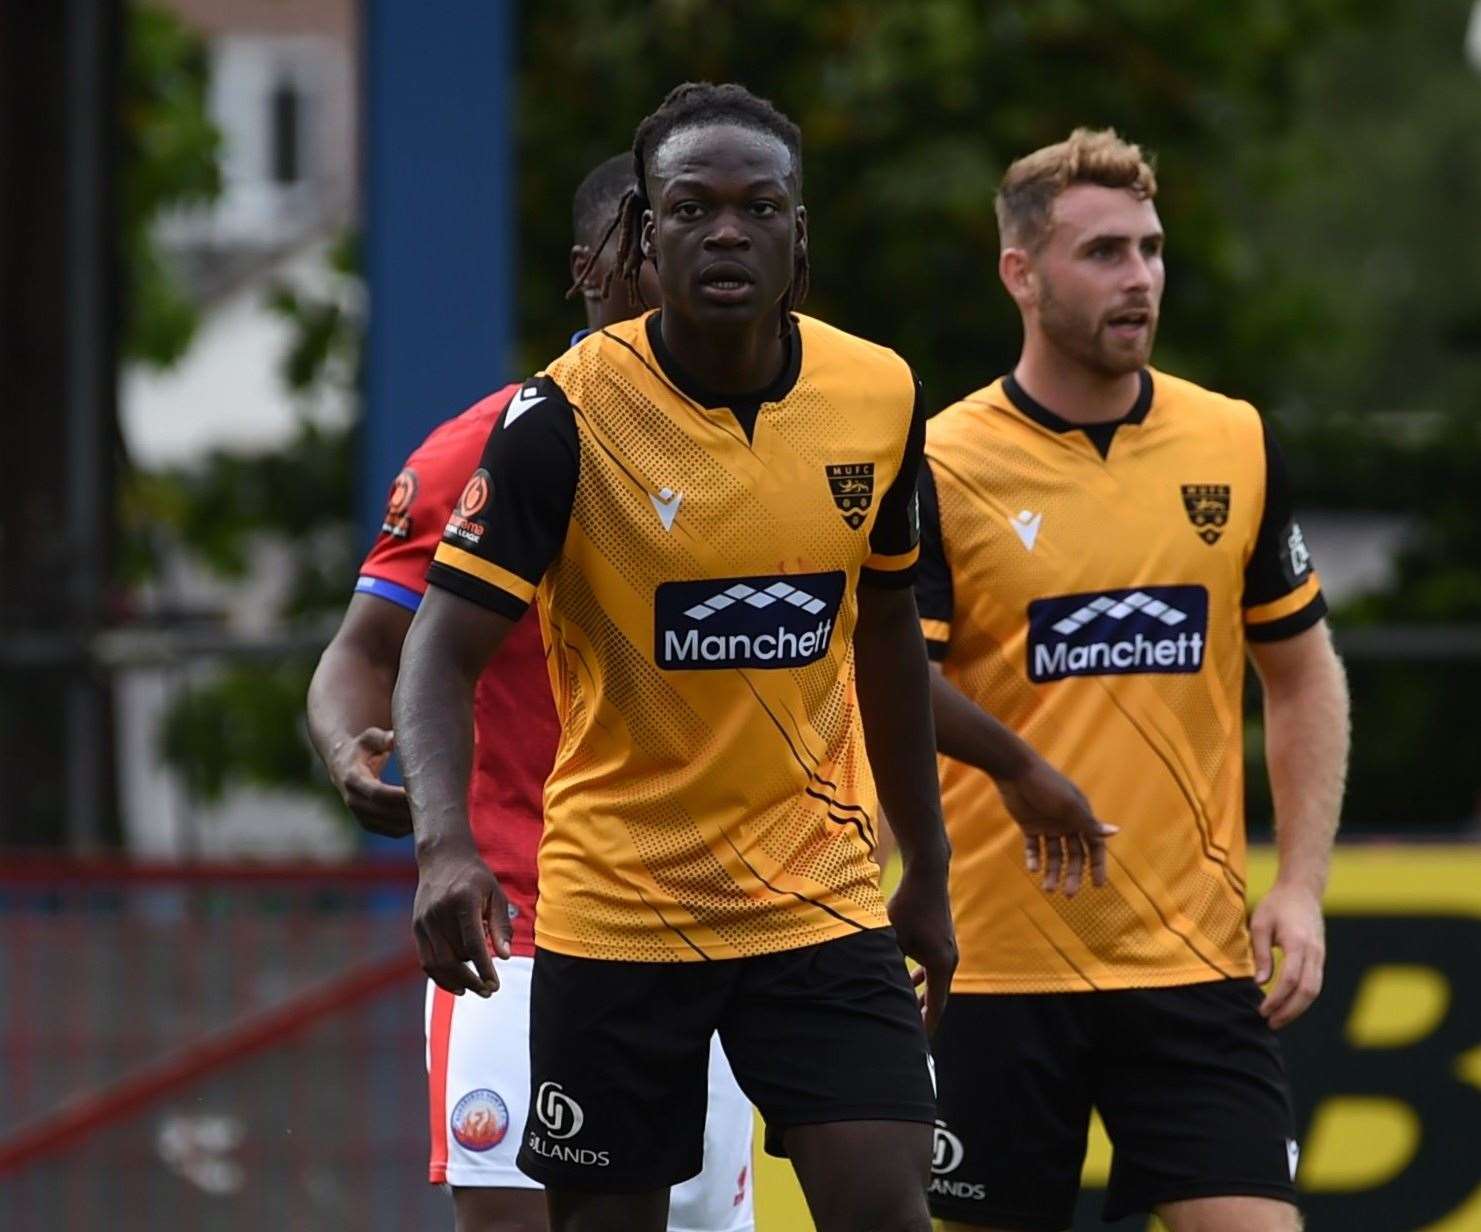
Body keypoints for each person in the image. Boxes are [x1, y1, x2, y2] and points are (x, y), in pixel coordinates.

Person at [393, 81, 968, 1232]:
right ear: (643, 238)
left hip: (816, 897)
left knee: (887, 1203)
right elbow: (434, 654)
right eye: (692, 207)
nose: (724, 231)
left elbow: (889, 635)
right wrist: (443, 846)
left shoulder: (878, 392)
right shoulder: (560, 419)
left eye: (757, 208)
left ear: (796, 237)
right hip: (621, 906)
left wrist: (931, 861)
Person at [307, 155, 755, 1232]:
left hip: (715, 926)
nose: (678, 266)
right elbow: (363, 646)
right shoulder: (486, 446)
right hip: (521, 925)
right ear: (589, 270)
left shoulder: (775, 446)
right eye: (649, 245)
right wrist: (347, 750)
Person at [916, 128, 1351, 1232]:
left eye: (1150, 250)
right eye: (1103, 252)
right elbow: (884, 685)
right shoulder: (936, 463)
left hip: (1192, 963)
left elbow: (1299, 675)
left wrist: (1297, 883)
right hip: (996, 967)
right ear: (1020, 272)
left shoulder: (1231, 441)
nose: (1139, 278)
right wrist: (1015, 769)